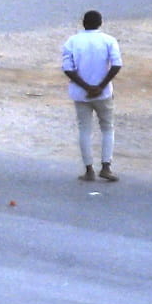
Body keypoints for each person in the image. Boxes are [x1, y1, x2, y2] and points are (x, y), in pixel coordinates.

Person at [61, 10, 122, 183]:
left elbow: (68, 69)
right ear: (100, 23)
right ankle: (106, 167)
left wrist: (86, 87)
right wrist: (100, 87)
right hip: (103, 94)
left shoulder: (72, 41)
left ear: (83, 23)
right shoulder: (109, 40)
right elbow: (116, 65)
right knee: (107, 128)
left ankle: (89, 170)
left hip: (81, 94)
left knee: (84, 130)